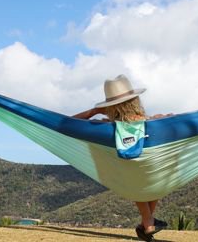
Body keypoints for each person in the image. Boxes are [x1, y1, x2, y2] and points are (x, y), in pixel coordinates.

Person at [73, 75, 171, 241]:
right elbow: (172, 120)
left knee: (135, 177)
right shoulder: (152, 123)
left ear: (109, 106)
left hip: (125, 172)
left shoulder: (106, 127)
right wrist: (166, 117)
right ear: (134, 100)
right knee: (155, 179)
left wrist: (94, 111)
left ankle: (147, 223)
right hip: (152, 169)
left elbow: (69, 123)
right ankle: (148, 223)